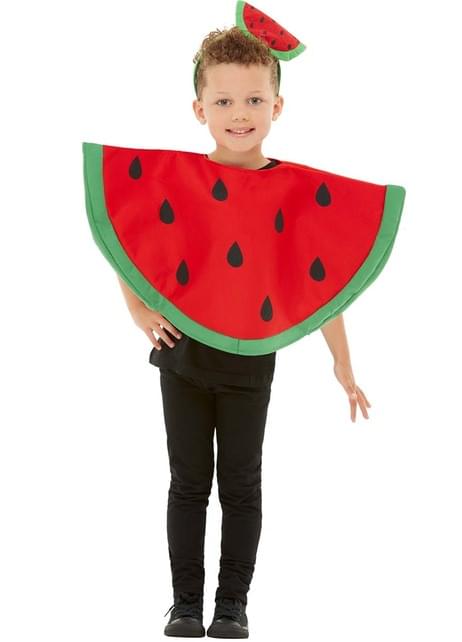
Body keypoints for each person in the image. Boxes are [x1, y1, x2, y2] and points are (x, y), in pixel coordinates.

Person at [116, 22, 371, 641]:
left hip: (251, 359)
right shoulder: (176, 178)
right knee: (187, 484)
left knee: (241, 485)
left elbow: (319, 282)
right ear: (198, 108)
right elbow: (125, 234)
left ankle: (232, 605)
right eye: (224, 100)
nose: (239, 114)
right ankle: (184, 605)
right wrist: (139, 312)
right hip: (181, 354)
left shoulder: (294, 190)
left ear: (277, 106)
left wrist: (342, 363)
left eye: (254, 100)